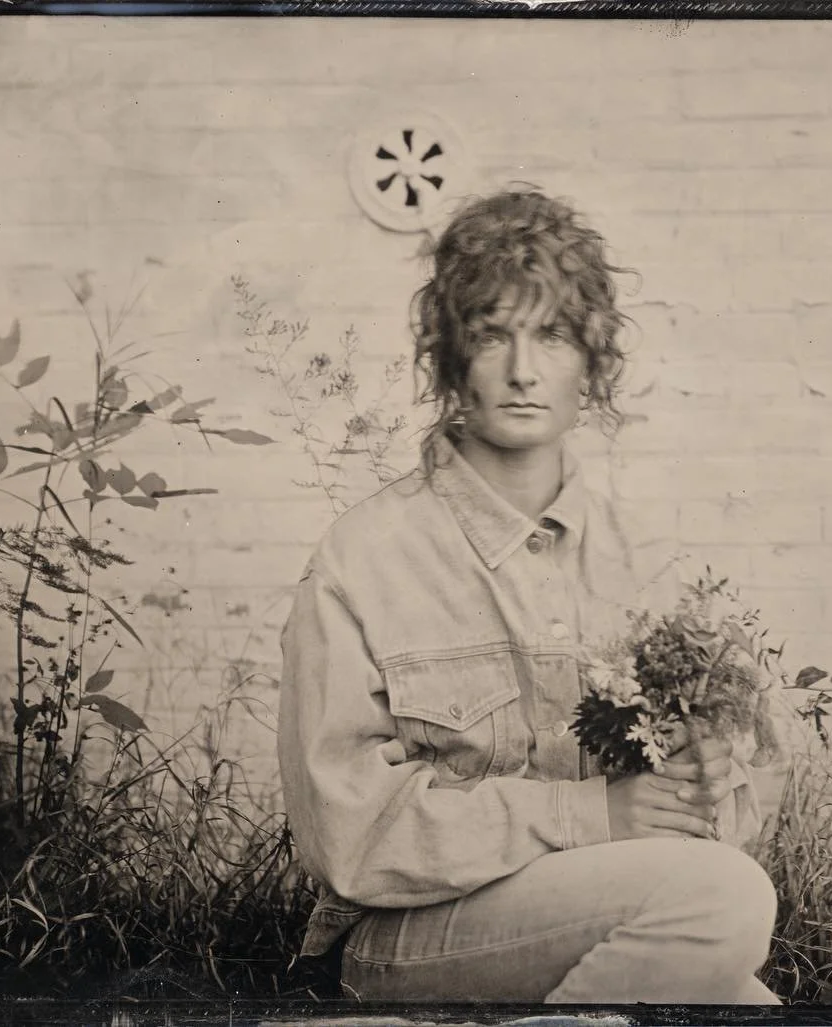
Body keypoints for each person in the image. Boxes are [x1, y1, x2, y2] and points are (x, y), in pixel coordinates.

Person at [277, 187, 780, 1004]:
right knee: (724, 900)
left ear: (591, 359)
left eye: (551, 334)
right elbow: (349, 836)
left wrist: (706, 781)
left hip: (595, 903)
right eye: (491, 335)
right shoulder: (365, 558)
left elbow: (725, 817)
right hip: (406, 937)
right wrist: (591, 815)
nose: (522, 370)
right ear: (451, 358)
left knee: (752, 999)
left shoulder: (643, 561)